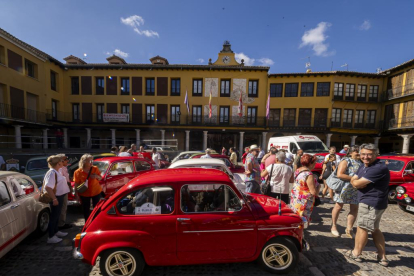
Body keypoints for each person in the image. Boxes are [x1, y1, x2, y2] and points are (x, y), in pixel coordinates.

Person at [345, 144, 390, 267]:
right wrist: (356, 183)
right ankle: (383, 257)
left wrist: (356, 183)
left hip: (371, 202)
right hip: (373, 202)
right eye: (363, 154)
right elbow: (354, 181)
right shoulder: (363, 166)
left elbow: (357, 183)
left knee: (362, 227)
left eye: (369, 154)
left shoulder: (378, 168)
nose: (366, 157)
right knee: (374, 229)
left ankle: (356, 253)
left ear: (376, 154)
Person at [330, 146, 362, 238]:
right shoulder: (346, 161)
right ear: (350, 153)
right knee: (339, 206)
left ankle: (349, 228)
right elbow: (340, 174)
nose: (358, 153)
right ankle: (334, 226)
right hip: (345, 187)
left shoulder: (361, 162)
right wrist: (355, 178)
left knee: (354, 208)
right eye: (356, 151)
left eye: (359, 151)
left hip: (356, 188)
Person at [43, 155, 69, 243]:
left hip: (60, 196)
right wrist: (54, 199)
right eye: (61, 161)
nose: (63, 162)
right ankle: (51, 236)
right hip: (56, 197)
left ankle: (56, 231)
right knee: (54, 216)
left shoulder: (56, 171)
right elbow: (48, 187)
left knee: (57, 215)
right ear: (58, 163)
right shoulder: (52, 173)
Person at [290, 154, 320, 221]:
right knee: (302, 218)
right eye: (314, 163)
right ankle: (301, 230)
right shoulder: (309, 175)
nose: (315, 164)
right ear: (311, 164)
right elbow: (313, 192)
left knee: (296, 216)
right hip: (304, 201)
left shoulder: (298, 170)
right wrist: (318, 188)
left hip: (295, 197)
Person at [74, 154, 103, 221]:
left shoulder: (95, 168)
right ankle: (87, 223)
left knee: (96, 208)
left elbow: (100, 178)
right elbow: (76, 184)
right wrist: (76, 194)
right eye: (89, 161)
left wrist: (96, 176)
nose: (91, 162)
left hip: (96, 191)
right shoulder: (77, 172)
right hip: (84, 193)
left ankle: (96, 222)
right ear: (84, 162)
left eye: (92, 160)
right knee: (85, 209)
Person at [57, 154, 72, 230]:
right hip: (61, 192)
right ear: (61, 161)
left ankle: (61, 223)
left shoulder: (64, 168)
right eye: (66, 159)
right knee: (62, 207)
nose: (67, 160)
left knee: (64, 207)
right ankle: (61, 224)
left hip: (64, 190)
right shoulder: (60, 169)